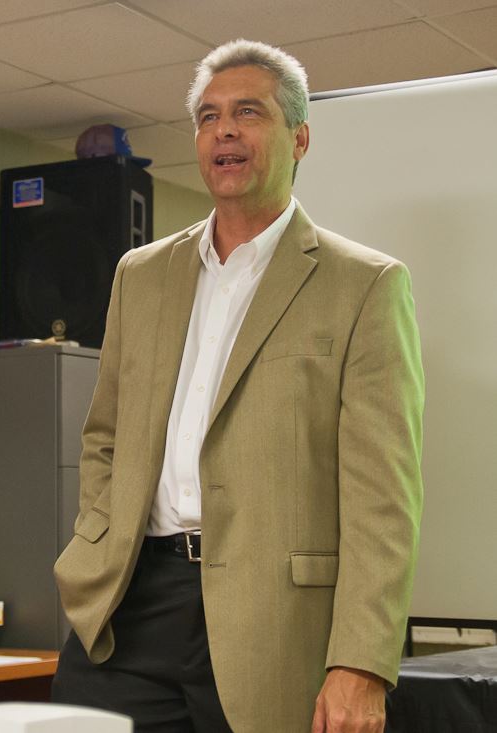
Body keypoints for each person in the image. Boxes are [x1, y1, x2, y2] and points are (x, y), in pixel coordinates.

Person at [52, 39, 423, 733]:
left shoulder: (365, 285)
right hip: (129, 605)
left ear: (300, 138)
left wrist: (362, 662)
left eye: (248, 112)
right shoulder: (140, 273)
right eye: (207, 116)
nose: (223, 129)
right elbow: (104, 435)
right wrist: (95, 541)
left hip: (273, 622)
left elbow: (383, 497)